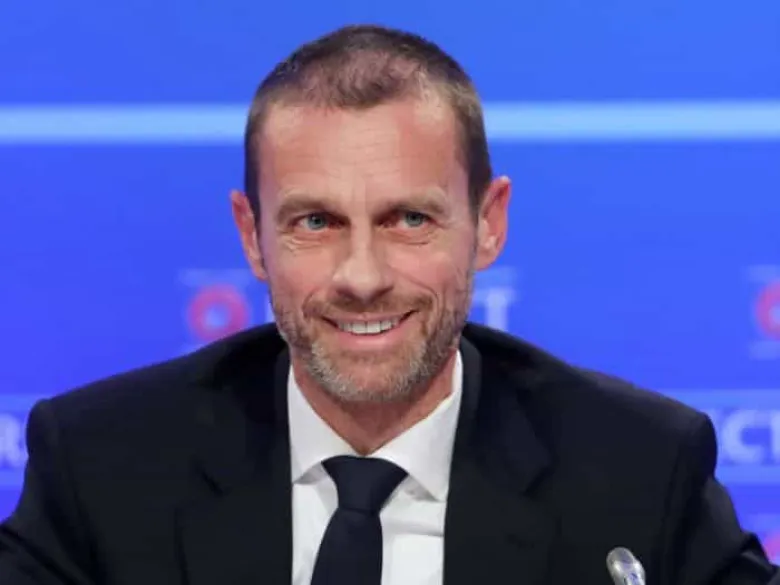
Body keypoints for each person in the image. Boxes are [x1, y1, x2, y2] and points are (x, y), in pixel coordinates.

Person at [0, 24, 777, 585]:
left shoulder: (638, 471)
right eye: (316, 222)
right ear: (251, 236)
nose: (363, 276)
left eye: (409, 219)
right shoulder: (102, 467)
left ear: (488, 223)